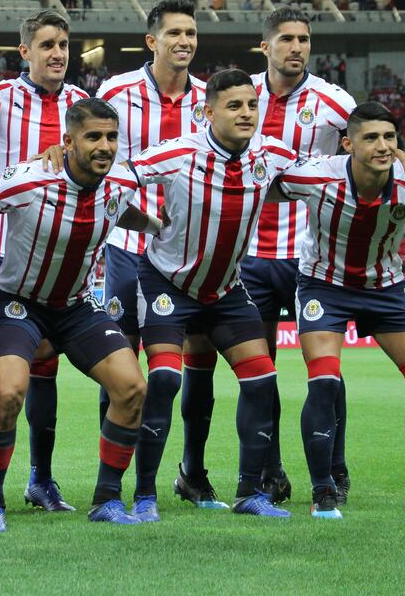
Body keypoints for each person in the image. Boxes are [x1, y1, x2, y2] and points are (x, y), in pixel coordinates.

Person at [271, 101, 405, 519]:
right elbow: (261, 184)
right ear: (348, 144)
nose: (382, 146)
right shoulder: (316, 175)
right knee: (323, 382)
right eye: (371, 137)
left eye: (389, 137)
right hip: (324, 285)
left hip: (387, 288)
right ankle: (323, 491)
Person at [0, 98, 158, 532]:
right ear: (68, 142)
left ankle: (107, 500)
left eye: (111, 137)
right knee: (7, 393)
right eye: (93, 137)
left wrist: (154, 226)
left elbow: (119, 209)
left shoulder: (121, 182)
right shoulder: (28, 180)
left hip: (76, 306)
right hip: (18, 301)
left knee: (132, 386)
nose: (104, 146)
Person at [131, 68, 298, 518]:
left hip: (225, 290)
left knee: (262, 380)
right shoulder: (178, 152)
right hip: (167, 282)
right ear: (207, 111)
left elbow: (327, 176)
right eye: (234, 106)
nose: (246, 113)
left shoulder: (272, 153)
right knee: (165, 378)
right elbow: (115, 178)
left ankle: (249, 494)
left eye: (251, 104)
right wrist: (146, 224)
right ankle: (145, 495)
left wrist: (392, 155)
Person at [92, 0, 213, 516]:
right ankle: (112, 487)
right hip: (126, 249)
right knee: (121, 369)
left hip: (187, 258)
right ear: (151, 41)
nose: (184, 41)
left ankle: (190, 473)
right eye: (174, 33)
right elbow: (98, 162)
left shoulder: (210, 99)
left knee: (187, 370)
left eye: (190, 32)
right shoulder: (116, 92)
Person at [238, 6, 357, 505]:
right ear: (265, 46)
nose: (297, 47)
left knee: (324, 372)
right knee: (259, 373)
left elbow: (371, 153)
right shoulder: (237, 94)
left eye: (304, 39)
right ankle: (269, 468)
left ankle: (334, 467)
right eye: (286, 38)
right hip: (247, 258)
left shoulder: (335, 102)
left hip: (312, 258)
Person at [0, 10, 89, 513]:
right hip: (2, 257)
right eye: (46, 45)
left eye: (64, 44)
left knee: (46, 370)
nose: (58, 54)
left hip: (61, 260)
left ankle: (41, 478)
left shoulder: (83, 107)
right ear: (24, 51)